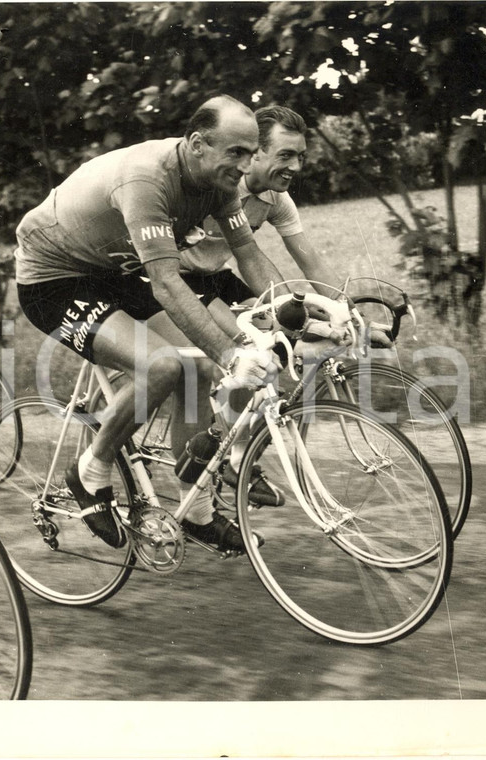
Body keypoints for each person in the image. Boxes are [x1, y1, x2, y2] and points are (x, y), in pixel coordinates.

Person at [14, 95, 286, 553]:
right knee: (162, 366)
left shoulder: (220, 183)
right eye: (235, 152)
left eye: (251, 152)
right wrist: (232, 353)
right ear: (198, 144)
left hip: (110, 271)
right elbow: (165, 282)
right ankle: (90, 472)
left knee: (198, 368)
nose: (245, 165)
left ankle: (196, 511)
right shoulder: (147, 178)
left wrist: (292, 309)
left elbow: (250, 256)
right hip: (53, 277)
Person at [170, 105, 343, 491]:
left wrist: (342, 310)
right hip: (179, 276)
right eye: (286, 155)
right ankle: (212, 458)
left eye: (300, 156)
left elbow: (309, 258)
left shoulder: (275, 200)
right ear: (255, 152)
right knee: (248, 347)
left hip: (216, 277)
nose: (296, 165)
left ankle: (236, 455)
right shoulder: (219, 186)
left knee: (284, 343)